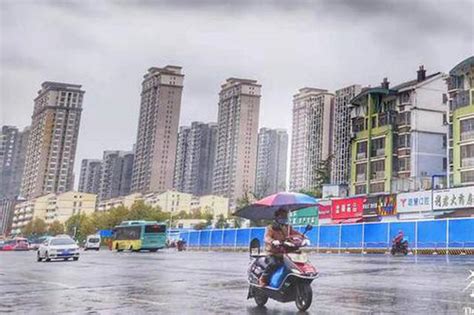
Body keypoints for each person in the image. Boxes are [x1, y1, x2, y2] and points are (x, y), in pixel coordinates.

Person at [259, 208, 303, 286]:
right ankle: (263, 278)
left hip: (286, 252)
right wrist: (273, 241)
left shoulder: (287, 227)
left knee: (297, 264)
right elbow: (266, 238)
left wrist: (303, 237)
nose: (284, 218)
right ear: (277, 217)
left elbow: (296, 234)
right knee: (273, 264)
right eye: (282, 216)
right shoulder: (270, 228)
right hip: (273, 253)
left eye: (285, 216)